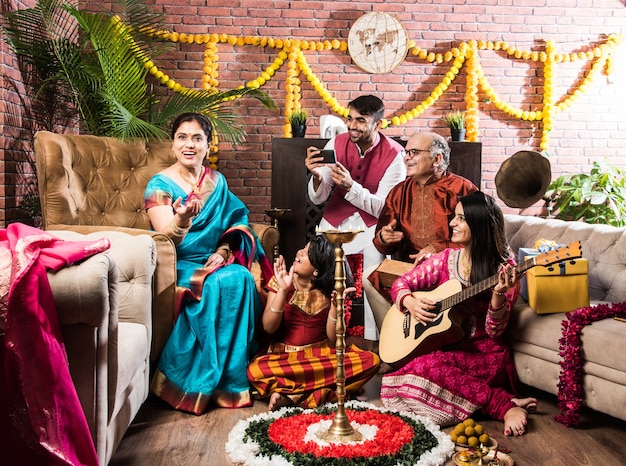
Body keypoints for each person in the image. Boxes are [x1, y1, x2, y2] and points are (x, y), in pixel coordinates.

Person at [144, 112, 273, 415]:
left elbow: (234, 223)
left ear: (208, 144)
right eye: (182, 137)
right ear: (173, 143)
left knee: (240, 277)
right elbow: (165, 240)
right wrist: (182, 219)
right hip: (179, 264)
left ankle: (232, 380)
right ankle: (197, 382)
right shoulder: (159, 184)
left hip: (212, 259)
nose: (189, 144)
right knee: (218, 283)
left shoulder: (217, 181)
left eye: (197, 138)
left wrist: (225, 250)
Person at [379, 191, 537, 436]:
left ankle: (503, 406)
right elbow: (402, 283)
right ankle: (485, 403)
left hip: (483, 354)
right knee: (399, 378)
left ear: (480, 223)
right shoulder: (446, 260)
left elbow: (496, 332)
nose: (452, 223)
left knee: (423, 370)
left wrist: (497, 295)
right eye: (455, 217)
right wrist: (409, 302)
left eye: (461, 219)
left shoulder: (505, 269)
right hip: (447, 350)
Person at [305, 95, 406, 342]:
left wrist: (352, 188)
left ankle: (376, 339)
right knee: (315, 263)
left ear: (378, 125)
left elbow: (384, 209)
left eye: (361, 121)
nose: (352, 126)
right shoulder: (335, 144)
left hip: (371, 227)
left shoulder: (395, 155)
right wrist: (317, 177)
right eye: (350, 119)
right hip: (335, 221)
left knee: (373, 271)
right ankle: (316, 333)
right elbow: (319, 199)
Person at [247, 235, 381, 411]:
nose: (300, 252)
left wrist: (335, 307)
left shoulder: (328, 293)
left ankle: (293, 395)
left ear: (316, 271)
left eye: (308, 252)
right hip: (285, 359)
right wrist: (283, 291)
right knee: (256, 370)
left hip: (320, 358)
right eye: (304, 247)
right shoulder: (280, 281)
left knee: (371, 360)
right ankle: (320, 392)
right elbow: (268, 326)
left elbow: (333, 339)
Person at [363, 131, 478, 332]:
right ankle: (391, 341)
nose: (407, 157)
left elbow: (479, 235)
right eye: (406, 152)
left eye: (414, 152)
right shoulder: (399, 192)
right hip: (411, 269)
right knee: (369, 277)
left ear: (437, 158)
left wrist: (438, 249)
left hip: (451, 270)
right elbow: (383, 235)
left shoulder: (463, 189)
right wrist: (384, 237)